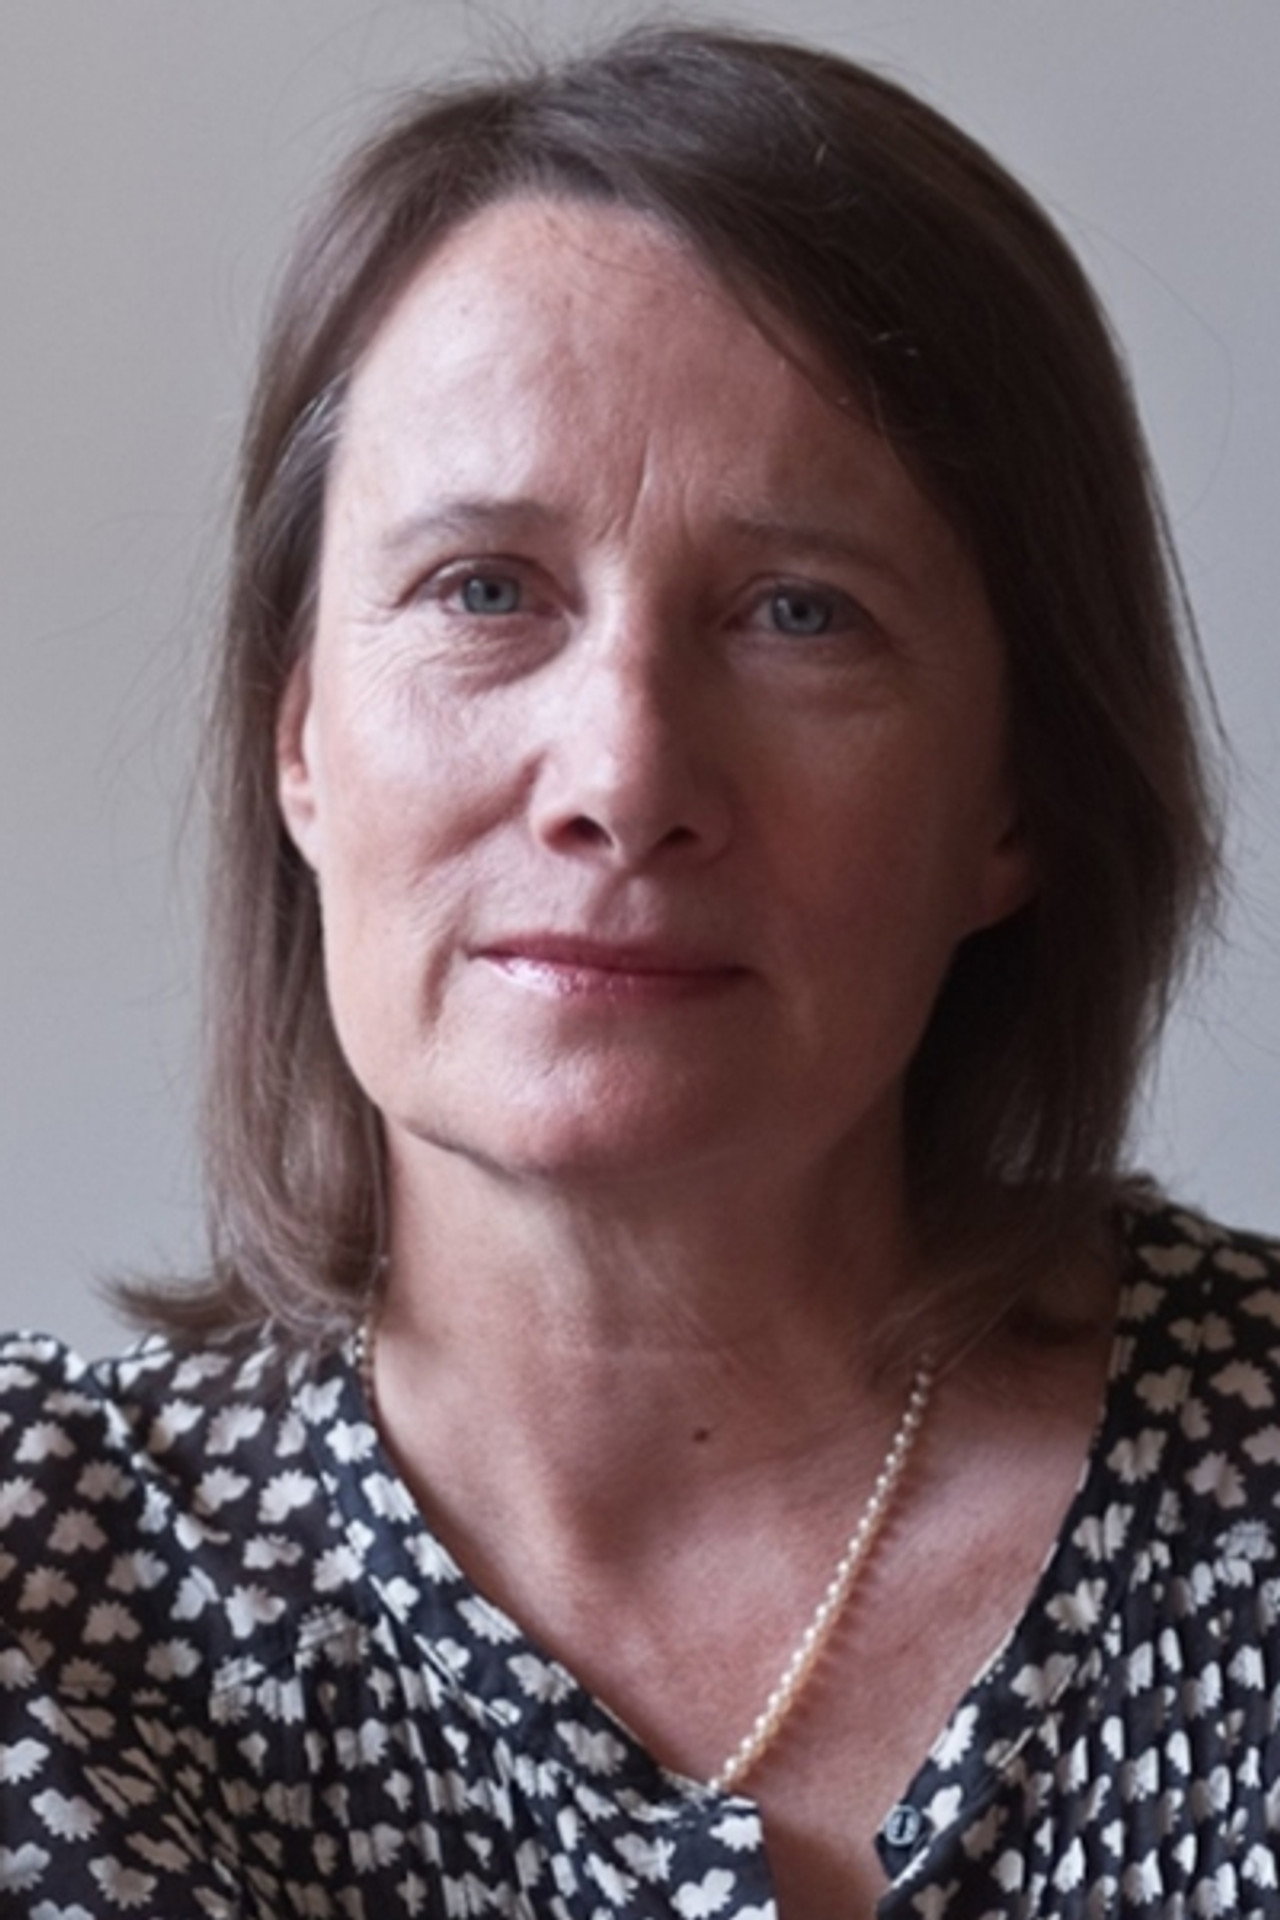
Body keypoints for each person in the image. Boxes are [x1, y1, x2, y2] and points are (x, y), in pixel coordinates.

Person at [0, 23, 1276, 1918]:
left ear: (1015, 797)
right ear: (299, 737)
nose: (622, 777)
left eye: (799, 613)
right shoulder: (40, 1593)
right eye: (483, 590)